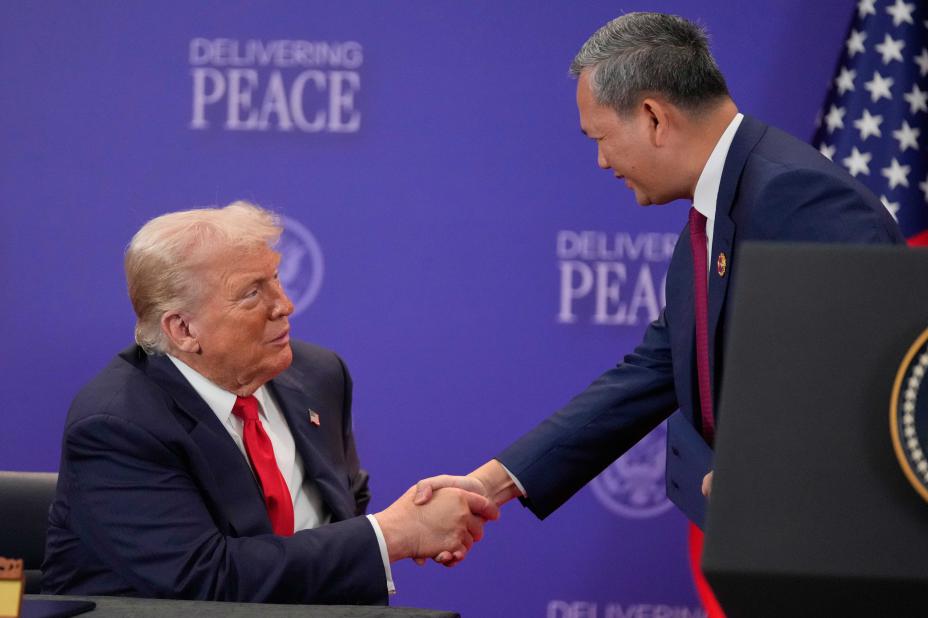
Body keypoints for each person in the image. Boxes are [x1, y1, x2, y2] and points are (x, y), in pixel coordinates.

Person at [413, 11, 904, 564]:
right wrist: (490, 484)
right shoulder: (720, 208)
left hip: (839, 553)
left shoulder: (796, 195)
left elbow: (878, 377)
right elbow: (655, 368)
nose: (602, 161)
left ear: (652, 117)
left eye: (601, 138)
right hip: (773, 543)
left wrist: (770, 471)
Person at [42, 201, 498, 603]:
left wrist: (416, 521)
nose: (285, 305)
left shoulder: (319, 375)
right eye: (252, 293)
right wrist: (391, 535)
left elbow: (344, 505)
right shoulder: (118, 425)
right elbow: (208, 580)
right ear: (183, 329)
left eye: (275, 278)